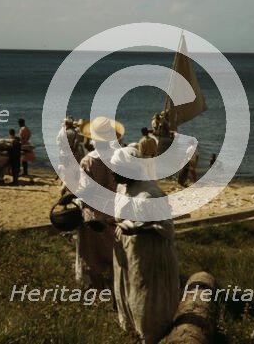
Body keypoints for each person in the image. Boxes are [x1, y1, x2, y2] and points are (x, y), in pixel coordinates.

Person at [111, 147, 180, 344]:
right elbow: (121, 216)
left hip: (149, 251)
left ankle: (152, 335)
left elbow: (167, 229)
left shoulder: (150, 194)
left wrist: (139, 230)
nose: (112, 174)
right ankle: (131, 330)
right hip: (128, 249)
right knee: (129, 287)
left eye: (116, 170)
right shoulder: (122, 188)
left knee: (146, 292)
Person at [74, 116, 125, 290]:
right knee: (113, 252)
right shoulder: (118, 158)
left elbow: (86, 190)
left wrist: (73, 194)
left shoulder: (89, 161)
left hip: (94, 214)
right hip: (114, 211)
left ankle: (96, 290)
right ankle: (115, 288)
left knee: (90, 254)